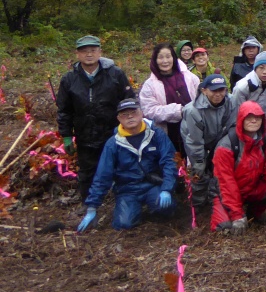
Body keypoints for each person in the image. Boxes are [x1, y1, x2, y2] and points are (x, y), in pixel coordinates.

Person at [76, 99, 177, 232]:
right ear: (118, 119)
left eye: (133, 112)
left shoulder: (156, 135)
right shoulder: (113, 144)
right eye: (124, 114)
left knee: (166, 208)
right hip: (128, 189)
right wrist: (92, 207)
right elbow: (103, 175)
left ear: (141, 113)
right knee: (124, 224)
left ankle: (155, 207)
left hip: (153, 184)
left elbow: (169, 161)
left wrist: (167, 189)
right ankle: (133, 209)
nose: (130, 116)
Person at [57, 35, 135, 202]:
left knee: (119, 168)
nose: (89, 54)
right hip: (85, 134)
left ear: (100, 52)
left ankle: (121, 203)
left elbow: (129, 102)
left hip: (113, 133)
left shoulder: (115, 74)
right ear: (77, 54)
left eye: (93, 50)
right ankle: (89, 204)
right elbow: (64, 110)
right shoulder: (69, 79)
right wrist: (67, 136)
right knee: (87, 172)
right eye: (84, 51)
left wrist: (131, 129)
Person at [211, 101, 266, 234]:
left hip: (253, 187)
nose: (254, 120)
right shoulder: (226, 146)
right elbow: (226, 183)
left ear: (262, 120)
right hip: (226, 192)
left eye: (257, 117)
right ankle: (236, 212)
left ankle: (255, 212)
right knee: (224, 229)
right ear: (241, 119)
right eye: (249, 117)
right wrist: (236, 214)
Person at [180, 74, 238, 208]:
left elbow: (232, 127)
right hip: (195, 136)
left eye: (221, 90)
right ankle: (198, 204)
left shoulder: (232, 101)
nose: (218, 94)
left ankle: (216, 200)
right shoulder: (192, 110)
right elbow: (194, 142)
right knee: (200, 172)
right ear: (204, 90)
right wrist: (200, 163)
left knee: (218, 167)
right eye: (213, 90)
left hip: (218, 136)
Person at [138, 42, 201, 155]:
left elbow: (201, 100)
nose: (165, 61)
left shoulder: (190, 78)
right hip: (167, 131)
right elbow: (149, 110)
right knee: (173, 160)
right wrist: (178, 111)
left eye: (168, 56)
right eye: (161, 57)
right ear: (155, 60)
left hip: (192, 127)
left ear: (174, 57)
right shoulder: (150, 85)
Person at [232, 51, 266, 134]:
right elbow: (237, 111)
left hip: (265, 121)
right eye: (261, 67)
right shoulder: (242, 87)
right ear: (255, 69)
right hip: (246, 123)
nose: (265, 72)